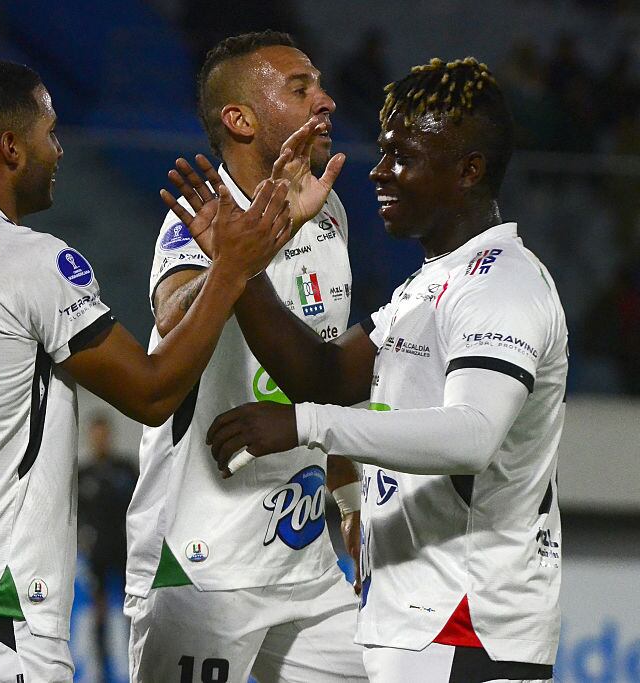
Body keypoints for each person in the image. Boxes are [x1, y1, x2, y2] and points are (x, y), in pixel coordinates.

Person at [0, 57, 310, 681]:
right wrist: (231, 270)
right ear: (11, 148)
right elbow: (152, 393)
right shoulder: (25, 261)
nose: (60, 150)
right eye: (49, 132)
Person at [198, 58, 566, 682]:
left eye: (403, 157)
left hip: (470, 630)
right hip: (416, 623)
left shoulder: (502, 282)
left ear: (468, 170)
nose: (379, 173)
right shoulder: (430, 284)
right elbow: (326, 374)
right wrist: (241, 270)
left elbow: (471, 435)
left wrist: (305, 427)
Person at [125, 30, 367, 683]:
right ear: (241, 118)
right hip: (202, 562)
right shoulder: (201, 218)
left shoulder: (330, 210)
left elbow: (327, 366)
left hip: (302, 558)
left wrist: (347, 499)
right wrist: (253, 244)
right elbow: (174, 318)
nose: (327, 100)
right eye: (301, 88)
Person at [77, 413, 138, 682]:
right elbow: (74, 517)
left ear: (109, 435)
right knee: (99, 615)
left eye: (103, 434)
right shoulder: (83, 475)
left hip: (127, 553)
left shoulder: (126, 469)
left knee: (134, 613)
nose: (100, 440)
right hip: (98, 556)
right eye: (95, 434)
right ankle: (102, 672)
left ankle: (138, 667)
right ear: (90, 437)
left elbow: (143, 506)